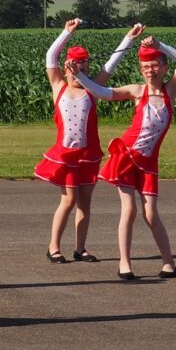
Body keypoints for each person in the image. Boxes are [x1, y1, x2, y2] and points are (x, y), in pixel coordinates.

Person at [74, 27, 176, 281]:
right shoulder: (138, 91)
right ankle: (124, 264)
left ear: (164, 67)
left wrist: (160, 45)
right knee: (129, 210)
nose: (150, 70)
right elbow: (103, 93)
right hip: (126, 156)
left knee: (151, 214)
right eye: (145, 67)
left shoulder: (170, 91)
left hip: (149, 163)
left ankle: (169, 264)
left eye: (155, 65)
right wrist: (79, 76)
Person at [32, 18, 136, 264]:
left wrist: (129, 38)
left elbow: (111, 64)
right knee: (68, 200)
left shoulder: (92, 88)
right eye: (77, 67)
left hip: (88, 155)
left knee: (85, 204)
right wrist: (66, 32)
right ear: (67, 67)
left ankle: (80, 248)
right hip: (66, 155)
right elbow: (50, 56)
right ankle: (54, 247)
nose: (81, 72)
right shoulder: (58, 86)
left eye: (85, 68)